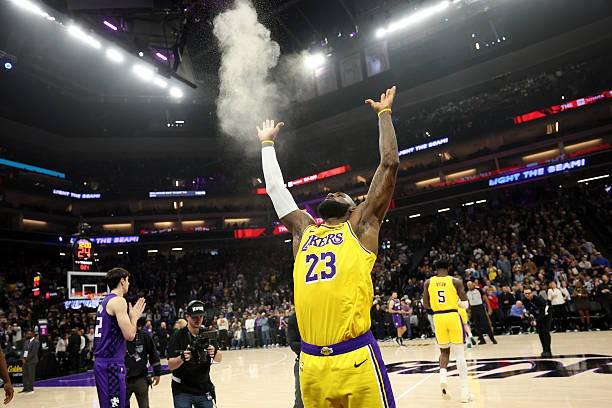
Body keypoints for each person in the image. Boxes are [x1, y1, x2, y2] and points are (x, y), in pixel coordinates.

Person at [259, 86, 399, 407]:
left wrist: (384, 114)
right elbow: (275, 189)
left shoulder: (361, 227)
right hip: (311, 363)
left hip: (355, 358)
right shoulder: (304, 229)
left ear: (353, 208)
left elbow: (389, 163)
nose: (332, 193)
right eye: (329, 194)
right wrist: (267, 145)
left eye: (340, 195)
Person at [94, 267, 146, 408]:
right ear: (122, 281)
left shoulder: (105, 301)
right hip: (111, 363)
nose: (128, 284)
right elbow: (130, 335)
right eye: (128, 280)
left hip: (104, 362)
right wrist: (134, 318)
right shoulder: (118, 301)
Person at [423, 259, 473, 403]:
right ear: (448, 268)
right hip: (452, 316)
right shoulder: (455, 281)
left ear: (435, 268)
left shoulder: (428, 282)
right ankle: (464, 393)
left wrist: (437, 305)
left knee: (444, 352)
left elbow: (426, 305)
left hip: (438, 318)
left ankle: (443, 378)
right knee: (459, 353)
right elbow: (465, 304)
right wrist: (455, 302)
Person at [167, 300, 222, 408]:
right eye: (194, 317)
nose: (198, 319)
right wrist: (182, 358)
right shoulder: (178, 336)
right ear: (187, 317)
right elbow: (170, 365)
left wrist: (214, 352)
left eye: (200, 316)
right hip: (182, 389)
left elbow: (219, 358)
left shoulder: (207, 333)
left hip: (203, 387)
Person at [125, 323, 162, 408]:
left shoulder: (144, 336)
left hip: (141, 377)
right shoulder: (119, 337)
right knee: (121, 405)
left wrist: (157, 372)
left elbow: (153, 353)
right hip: (123, 379)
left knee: (144, 405)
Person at [522, 288, 552, 357]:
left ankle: (548, 350)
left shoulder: (539, 299)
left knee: (545, 332)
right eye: (526, 294)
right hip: (537, 315)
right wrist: (530, 317)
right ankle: (544, 350)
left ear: (532, 293)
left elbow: (543, 312)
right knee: (540, 333)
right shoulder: (524, 300)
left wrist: (536, 320)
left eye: (529, 293)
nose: (527, 295)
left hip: (546, 315)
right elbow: (529, 310)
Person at [286, 311, 304, 408]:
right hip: (303, 361)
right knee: (300, 400)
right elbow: (293, 343)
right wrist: (312, 349)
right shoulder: (295, 318)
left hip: (327, 361)